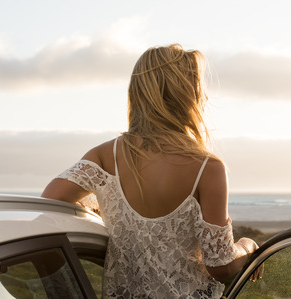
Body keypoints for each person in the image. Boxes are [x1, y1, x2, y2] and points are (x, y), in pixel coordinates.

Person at [42, 44, 262, 298]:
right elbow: (220, 266)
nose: (206, 98)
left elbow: (50, 203)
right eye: (200, 90)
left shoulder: (103, 156)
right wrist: (248, 245)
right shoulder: (207, 168)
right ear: (185, 97)